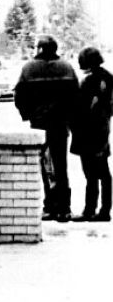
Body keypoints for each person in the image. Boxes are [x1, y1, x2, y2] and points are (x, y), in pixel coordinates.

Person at [15, 35, 79, 222]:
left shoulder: (28, 69)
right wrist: (68, 117)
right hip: (60, 124)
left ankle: (49, 206)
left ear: (40, 48)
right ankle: (64, 209)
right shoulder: (66, 67)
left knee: (44, 165)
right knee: (61, 166)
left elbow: (19, 96)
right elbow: (76, 97)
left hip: (39, 125)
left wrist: (29, 115)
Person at [70, 47, 113, 222]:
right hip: (102, 132)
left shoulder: (89, 81)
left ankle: (90, 210)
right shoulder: (108, 78)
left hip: (88, 133)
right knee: (103, 173)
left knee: (91, 174)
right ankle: (104, 210)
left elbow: (80, 109)